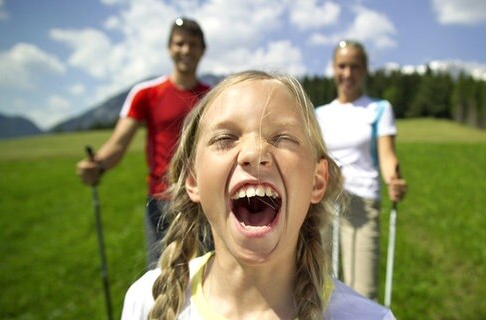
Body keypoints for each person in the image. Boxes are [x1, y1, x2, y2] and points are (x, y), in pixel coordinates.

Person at [120, 70, 396, 319]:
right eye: (225, 139)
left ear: (317, 181)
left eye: (282, 138)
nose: (254, 153)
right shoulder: (145, 300)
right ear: (193, 179)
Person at [75, 17, 210, 267]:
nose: (186, 50)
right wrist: (98, 165)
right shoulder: (146, 93)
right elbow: (117, 144)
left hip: (204, 199)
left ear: (203, 50)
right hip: (162, 201)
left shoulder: (212, 96)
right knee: (160, 279)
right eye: (180, 44)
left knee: (208, 274)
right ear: (169, 48)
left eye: (193, 44)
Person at [315, 40, 408, 300]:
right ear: (333, 68)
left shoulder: (379, 109)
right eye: (342, 66)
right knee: (319, 286)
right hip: (324, 204)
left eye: (355, 67)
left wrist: (394, 180)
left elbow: (388, 155)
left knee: (362, 292)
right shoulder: (320, 114)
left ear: (365, 70)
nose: (348, 73)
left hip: (362, 206)